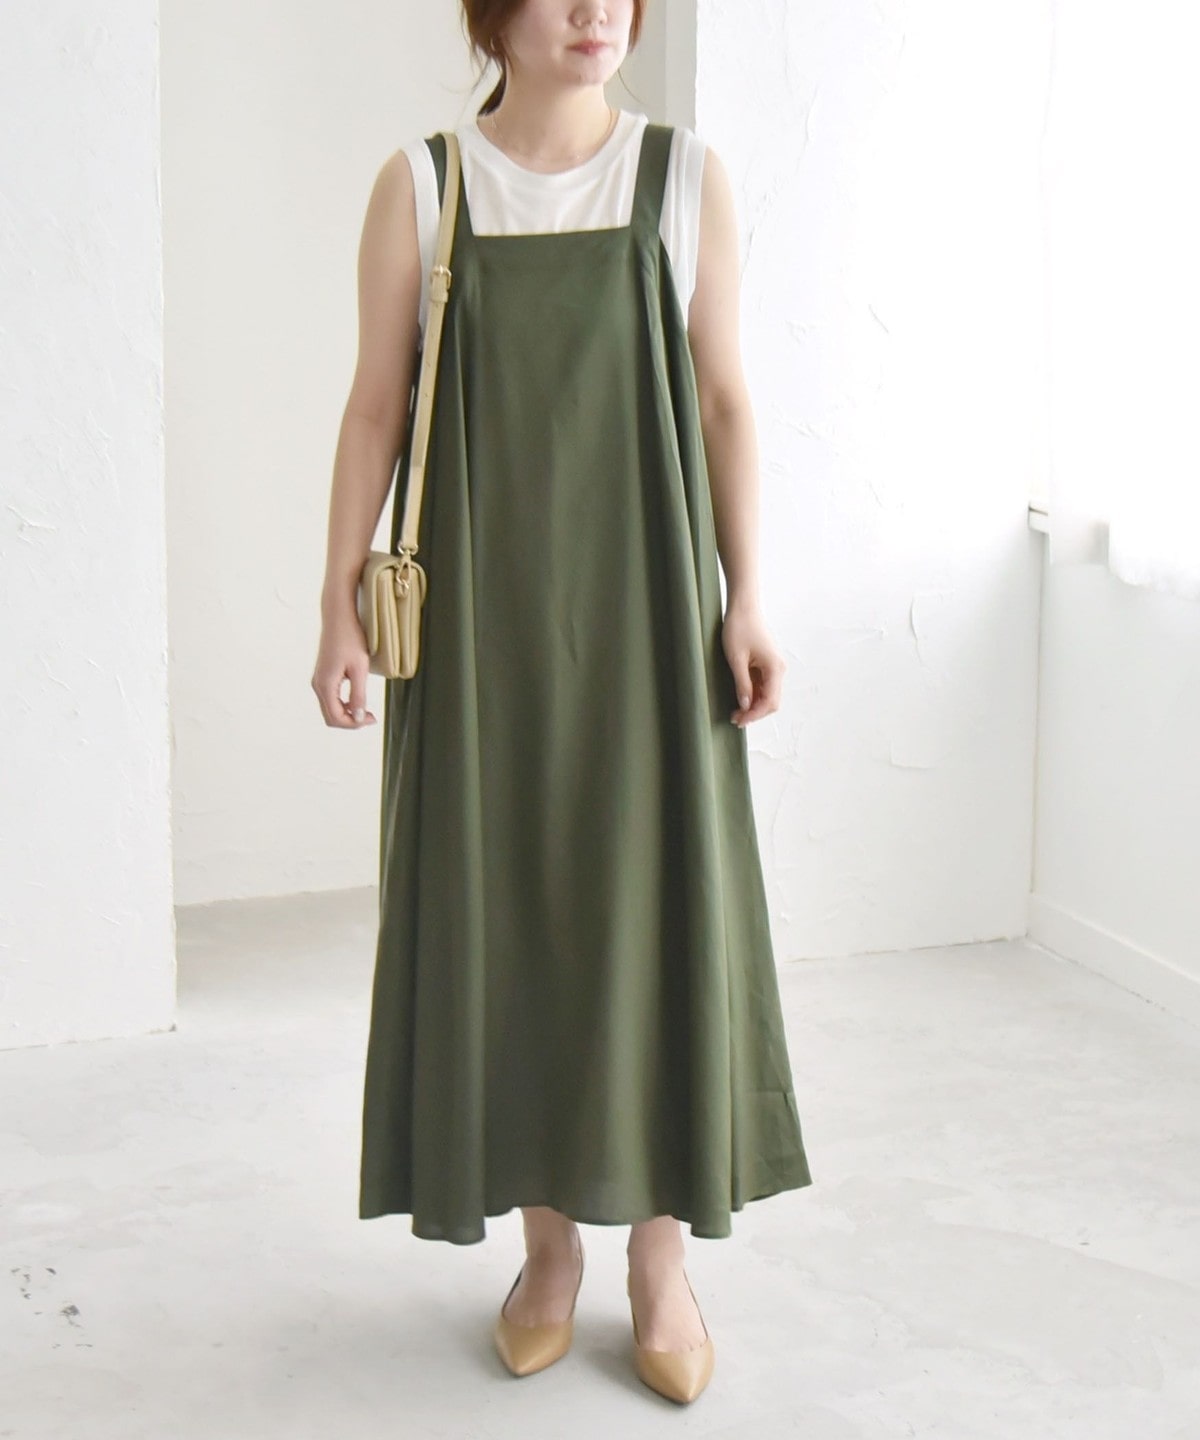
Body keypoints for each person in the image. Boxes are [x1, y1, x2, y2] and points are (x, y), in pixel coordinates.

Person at [311, 0, 813, 1406]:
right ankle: (546, 1254)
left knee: (652, 909)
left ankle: (660, 1261)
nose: (600, 11)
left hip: (651, 611)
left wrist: (746, 595)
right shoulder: (424, 186)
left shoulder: (682, 177)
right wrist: (336, 603)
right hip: (480, 623)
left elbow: (724, 400)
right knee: (510, 909)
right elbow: (375, 406)